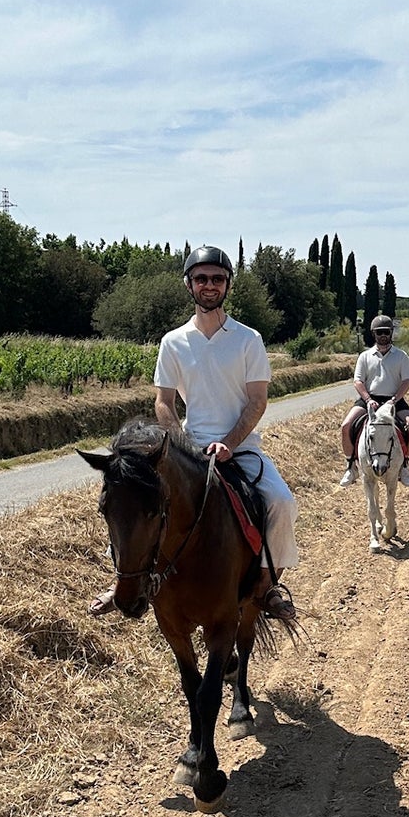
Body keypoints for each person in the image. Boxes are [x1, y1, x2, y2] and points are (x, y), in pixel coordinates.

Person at [150, 245, 299, 623]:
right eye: (201, 278)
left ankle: (266, 585)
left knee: (282, 502)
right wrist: (182, 447)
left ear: (228, 284)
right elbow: (164, 402)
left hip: (242, 449)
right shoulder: (173, 341)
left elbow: (258, 401)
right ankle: (124, 581)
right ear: (189, 284)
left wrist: (229, 443)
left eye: (217, 278)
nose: (209, 285)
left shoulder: (248, 339)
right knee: (136, 499)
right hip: (190, 449)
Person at [339, 314, 409, 489]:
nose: (383, 335)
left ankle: (405, 465)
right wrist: (367, 399)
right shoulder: (365, 356)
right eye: (379, 332)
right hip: (370, 399)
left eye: (386, 332)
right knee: (346, 426)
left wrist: (394, 400)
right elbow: (358, 381)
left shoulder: (401, 356)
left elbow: (407, 381)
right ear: (374, 334)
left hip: (394, 400)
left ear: (391, 332)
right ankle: (351, 467)